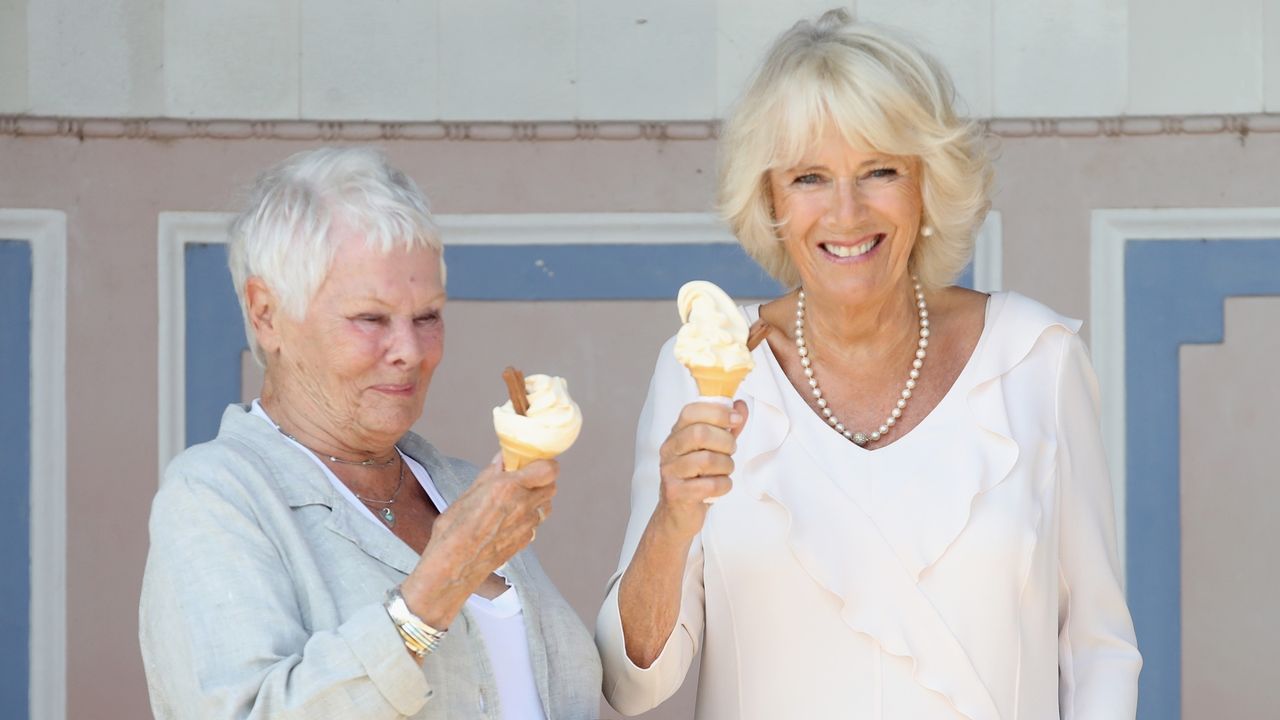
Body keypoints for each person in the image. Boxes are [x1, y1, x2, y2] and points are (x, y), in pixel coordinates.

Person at [596, 10, 1141, 719]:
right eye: (810, 178)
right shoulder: (702, 368)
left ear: (926, 185)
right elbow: (632, 684)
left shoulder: (1036, 361)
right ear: (770, 199)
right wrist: (673, 522)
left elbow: (1099, 649)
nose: (846, 212)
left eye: (879, 171)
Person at [140, 147, 601, 719]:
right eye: (371, 319)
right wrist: (438, 581)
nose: (409, 351)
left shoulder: (457, 485)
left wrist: (675, 515)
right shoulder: (216, 496)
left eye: (427, 316)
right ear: (266, 313)